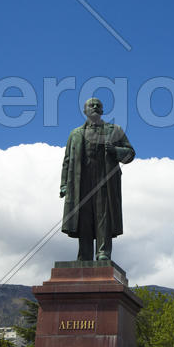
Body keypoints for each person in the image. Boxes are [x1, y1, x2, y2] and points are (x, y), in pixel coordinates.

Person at [60, 98, 135, 261]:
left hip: (104, 181)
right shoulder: (75, 134)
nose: (94, 107)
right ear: (85, 110)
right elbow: (67, 161)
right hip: (81, 183)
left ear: (102, 111)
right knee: (84, 219)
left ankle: (103, 252)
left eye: (98, 105)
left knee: (103, 217)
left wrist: (116, 150)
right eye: (91, 105)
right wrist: (64, 184)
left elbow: (130, 154)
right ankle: (85, 255)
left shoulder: (115, 130)